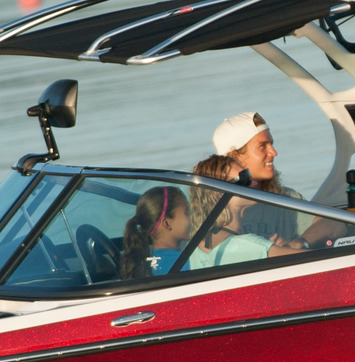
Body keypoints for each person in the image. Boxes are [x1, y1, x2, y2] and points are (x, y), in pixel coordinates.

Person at [209, 110, 340, 245]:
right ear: (234, 157)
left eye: (271, 144)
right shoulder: (209, 208)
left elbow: (335, 223)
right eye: (262, 146)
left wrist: (298, 243)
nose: (274, 152)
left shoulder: (284, 197)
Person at [119, 185, 195, 279]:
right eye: (187, 213)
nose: (193, 217)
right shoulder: (189, 263)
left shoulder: (142, 264)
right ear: (167, 223)